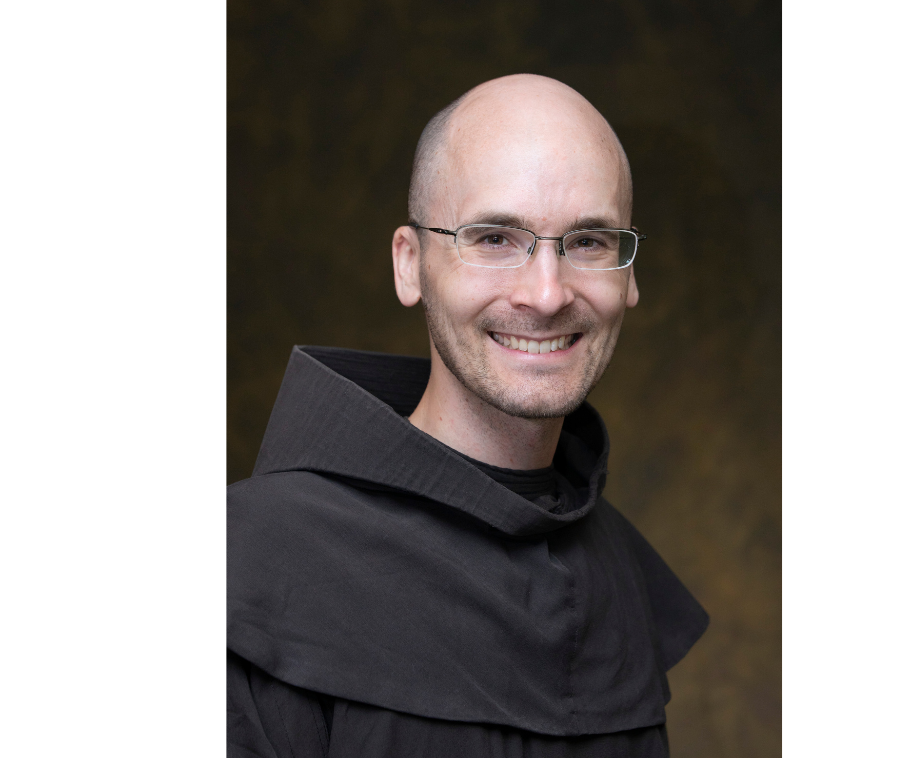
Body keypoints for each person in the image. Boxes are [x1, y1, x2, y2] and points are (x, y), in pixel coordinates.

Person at [228, 74, 709, 758]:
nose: (546, 294)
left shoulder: (621, 575)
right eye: (494, 238)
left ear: (629, 275)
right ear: (410, 264)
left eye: (589, 242)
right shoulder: (246, 564)